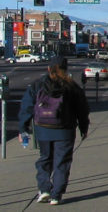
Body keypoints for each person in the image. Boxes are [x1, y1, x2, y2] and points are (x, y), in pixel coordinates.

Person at [18, 57, 90, 206]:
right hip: (65, 129)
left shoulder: (38, 85)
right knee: (62, 162)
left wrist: (23, 129)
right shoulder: (72, 87)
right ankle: (56, 195)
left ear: (49, 69)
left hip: (43, 128)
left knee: (44, 158)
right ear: (65, 69)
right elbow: (82, 110)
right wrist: (84, 127)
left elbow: (26, 108)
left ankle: (44, 189)